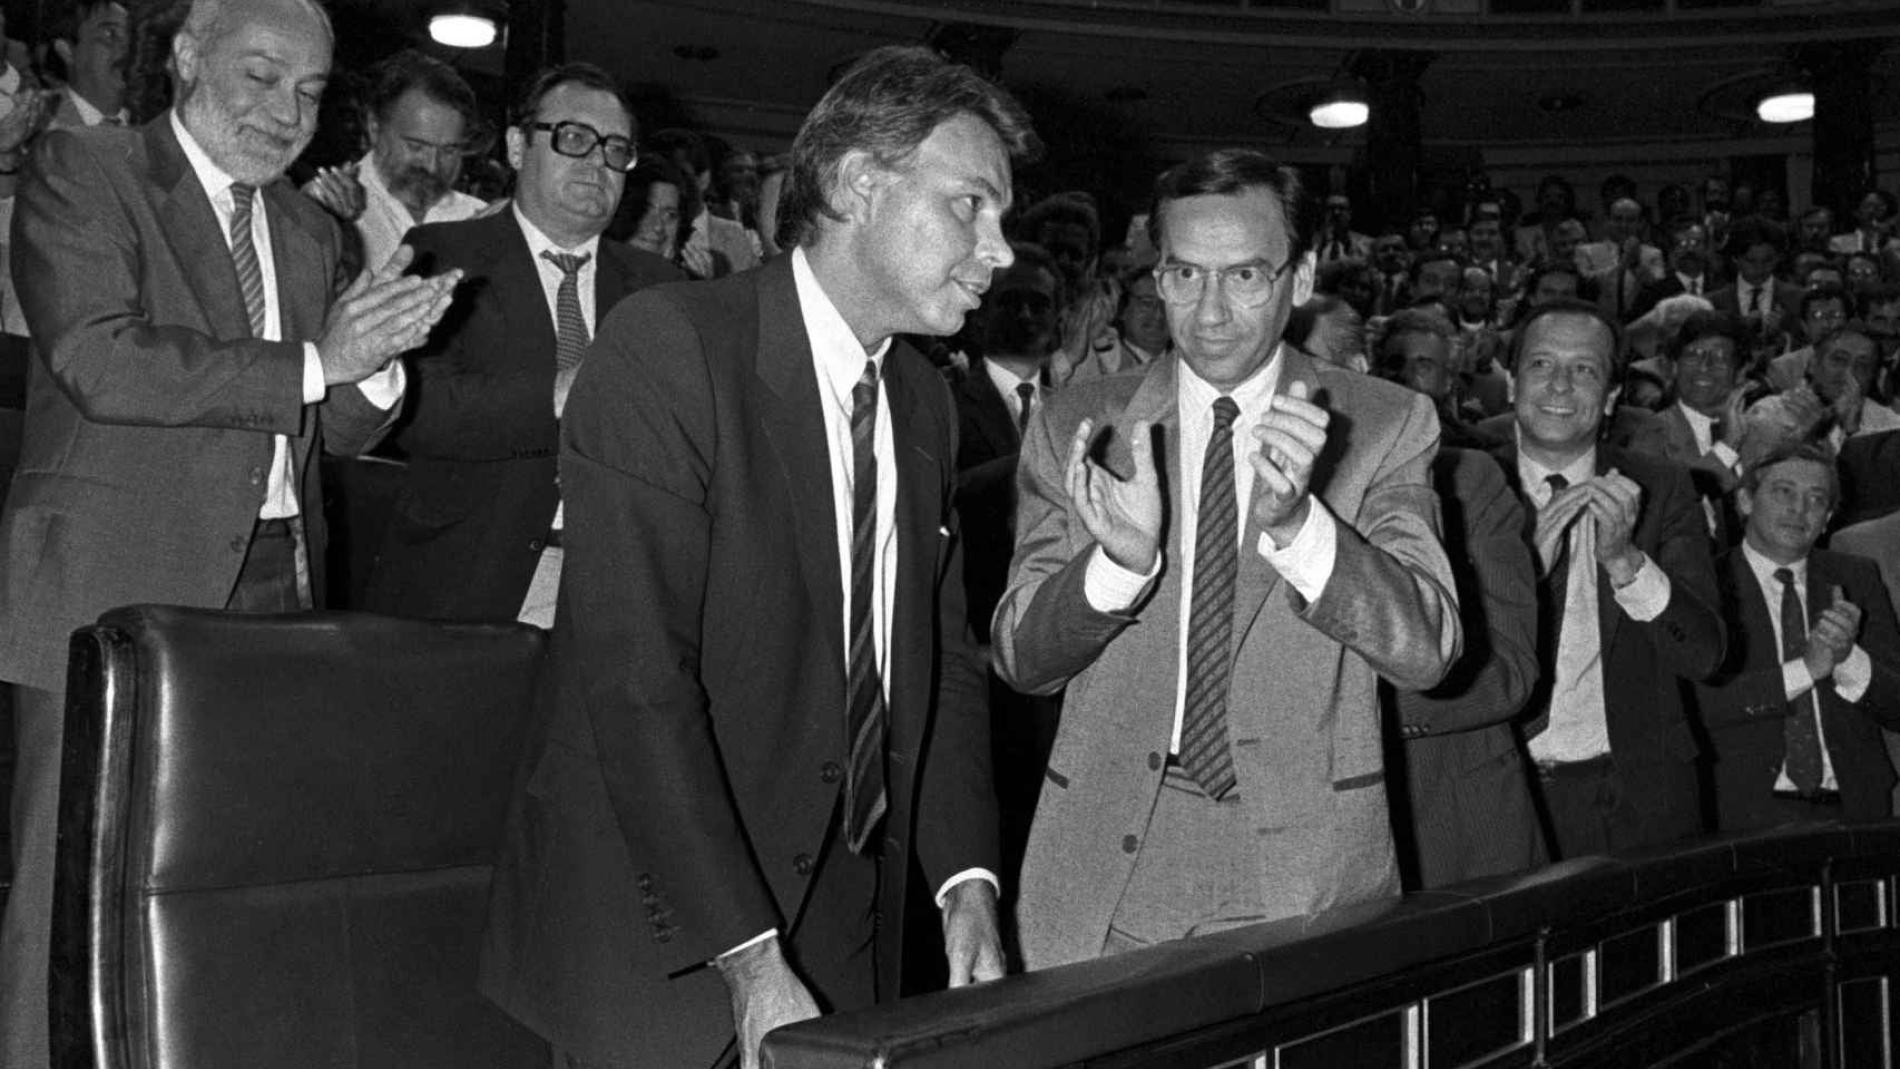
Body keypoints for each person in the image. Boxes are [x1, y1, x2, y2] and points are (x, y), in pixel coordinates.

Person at [479, 45, 1036, 1068]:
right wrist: (747, 956)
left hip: (843, 909)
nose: (997, 250)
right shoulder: (670, 348)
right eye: (970, 206)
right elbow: (635, 677)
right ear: (860, 183)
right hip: (662, 931)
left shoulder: (922, 400)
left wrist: (965, 880)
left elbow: (939, 660)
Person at [0, 0, 460, 1064]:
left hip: (273, 587)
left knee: (226, 885)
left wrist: (379, 361)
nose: (286, 113)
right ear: (186, 58)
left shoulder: (309, 228)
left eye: (308, 92)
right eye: (261, 77)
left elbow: (334, 424)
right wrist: (317, 364)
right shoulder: (87, 169)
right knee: (69, 889)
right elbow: (103, 362)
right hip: (109, 586)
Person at [992, 148, 1460, 969]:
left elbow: (1428, 650)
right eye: (1183, 275)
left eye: (1244, 276)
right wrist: (1118, 569)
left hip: (1304, 867)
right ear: (1156, 275)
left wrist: (1302, 529)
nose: (1209, 312)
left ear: (1300, 276)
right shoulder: (1079, 422)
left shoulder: (1385, 422)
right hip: (1106, 860)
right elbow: (1022, 659)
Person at [360, 63, 682, 626]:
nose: (595, 163)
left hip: (614, 592)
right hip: (469, 583)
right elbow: (419, 412)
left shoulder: (662, 289)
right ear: (516, 145)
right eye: (574, 139)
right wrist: (563, 393)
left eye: (615, 149)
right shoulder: (441, 255)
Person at [1489, 300, 1725, 859]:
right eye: (1541, 365)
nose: (1560, 386)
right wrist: (1527, 573)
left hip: (1635, 792)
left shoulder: (1662, 488)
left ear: (1614, 395)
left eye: (1585, 370)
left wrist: (1627, 565)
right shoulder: (1460, 483)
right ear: (1510, 382)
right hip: (1496, 788)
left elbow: (1706, 654)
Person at [1694, 444, 1900, 829]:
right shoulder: (1705, 585)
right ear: (1745, 500)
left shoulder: (1856, 578)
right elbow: (1698, 704)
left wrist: (1848, 661)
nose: (1798, 509)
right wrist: (1805, 670)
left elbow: (1896, 706)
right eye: (1783, 492)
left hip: (1855, 807)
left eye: (1816, 499)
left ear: (1827, 520)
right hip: (1746, 813)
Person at [301, 49, 486, 273]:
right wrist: (307, 216)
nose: (432, 166)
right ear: (374, 128)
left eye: (449, 151)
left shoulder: (477, 219)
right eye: (416, 147)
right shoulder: (328, 206)